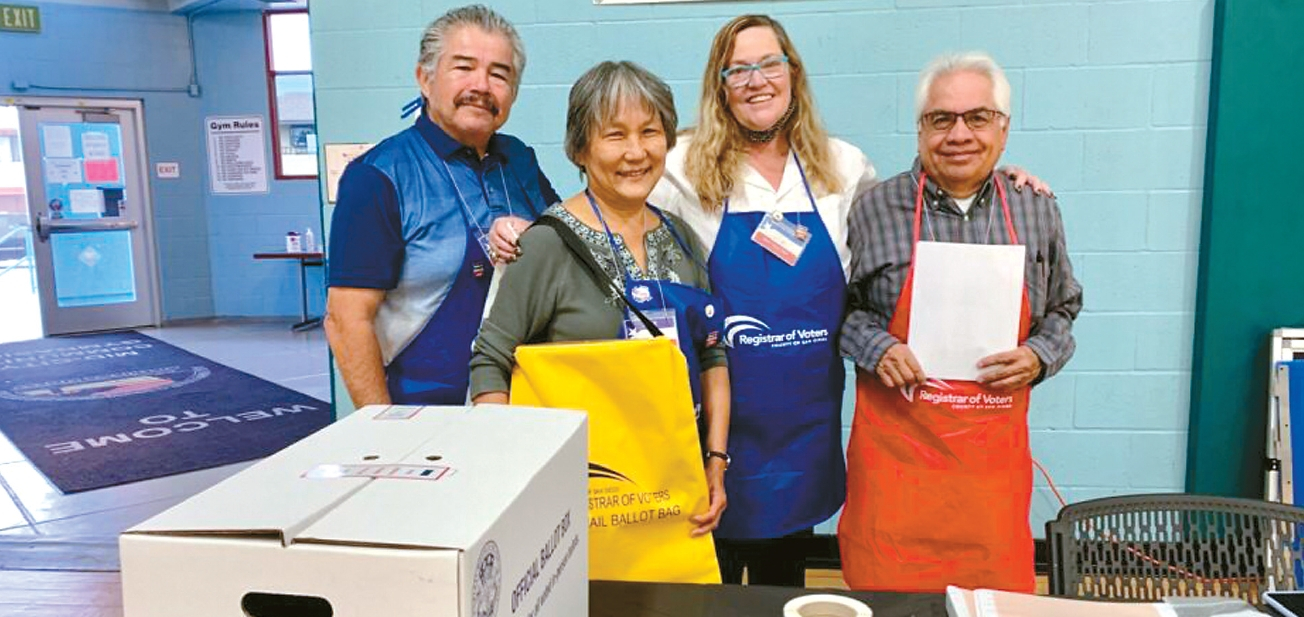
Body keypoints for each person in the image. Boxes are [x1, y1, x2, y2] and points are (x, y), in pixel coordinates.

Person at [650, 15, 1049, 586]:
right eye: (738, 69)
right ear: (719, 85)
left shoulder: (842, 166)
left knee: (780, 584)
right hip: (713, 419)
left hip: (802, 423)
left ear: (793, 72)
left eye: (769, 63)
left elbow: (911, 222)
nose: (756, 80)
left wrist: (991, 179)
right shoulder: (680, 167)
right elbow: (616, 194)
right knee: (707, 584)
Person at [838, 52, 1083, 593]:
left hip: (988, 482)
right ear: (921, 128)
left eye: (977, 117)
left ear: (1004, 129)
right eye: (941, 119)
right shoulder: (873, 209)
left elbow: (1064, 308)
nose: (959, 134)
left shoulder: (1036, 209)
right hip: (895, 475)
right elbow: (840, 311)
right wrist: (876, 346)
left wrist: (1039, 355)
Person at [469, 60, 730, 537]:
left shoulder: (683, 240)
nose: (636, 152)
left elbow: (713, 352)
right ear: (580, 148)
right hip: (577, 499)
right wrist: (509, 471)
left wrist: (715, 462)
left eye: (650, 131)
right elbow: (489, 358)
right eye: (615, 135)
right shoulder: (547, 244)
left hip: (669, 492)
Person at [325, 5, 558, 407]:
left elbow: (564, 258)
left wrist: (535, 236)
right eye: (463, 68)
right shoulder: (378, 176)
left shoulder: (520, 161)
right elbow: (346, 320)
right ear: (424, 78)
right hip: (424, 414)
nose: (481, 85)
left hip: (525, 405)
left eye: (499, 74)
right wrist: (382, 427)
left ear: (514, 93)